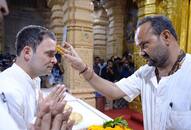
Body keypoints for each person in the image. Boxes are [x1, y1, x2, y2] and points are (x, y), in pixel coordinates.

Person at [63, 15, 191, 130]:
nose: (141, 53)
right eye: (139, 47)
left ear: (166, 37)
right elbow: (113, 91)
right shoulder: (146, 73)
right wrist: (83, 69)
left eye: (145, 45)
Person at [0, 25, 67, 130]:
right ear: (27, 53)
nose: (55, 60)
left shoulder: (34, 78)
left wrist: (41, 111)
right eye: (50, 54)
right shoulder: (9, 91)